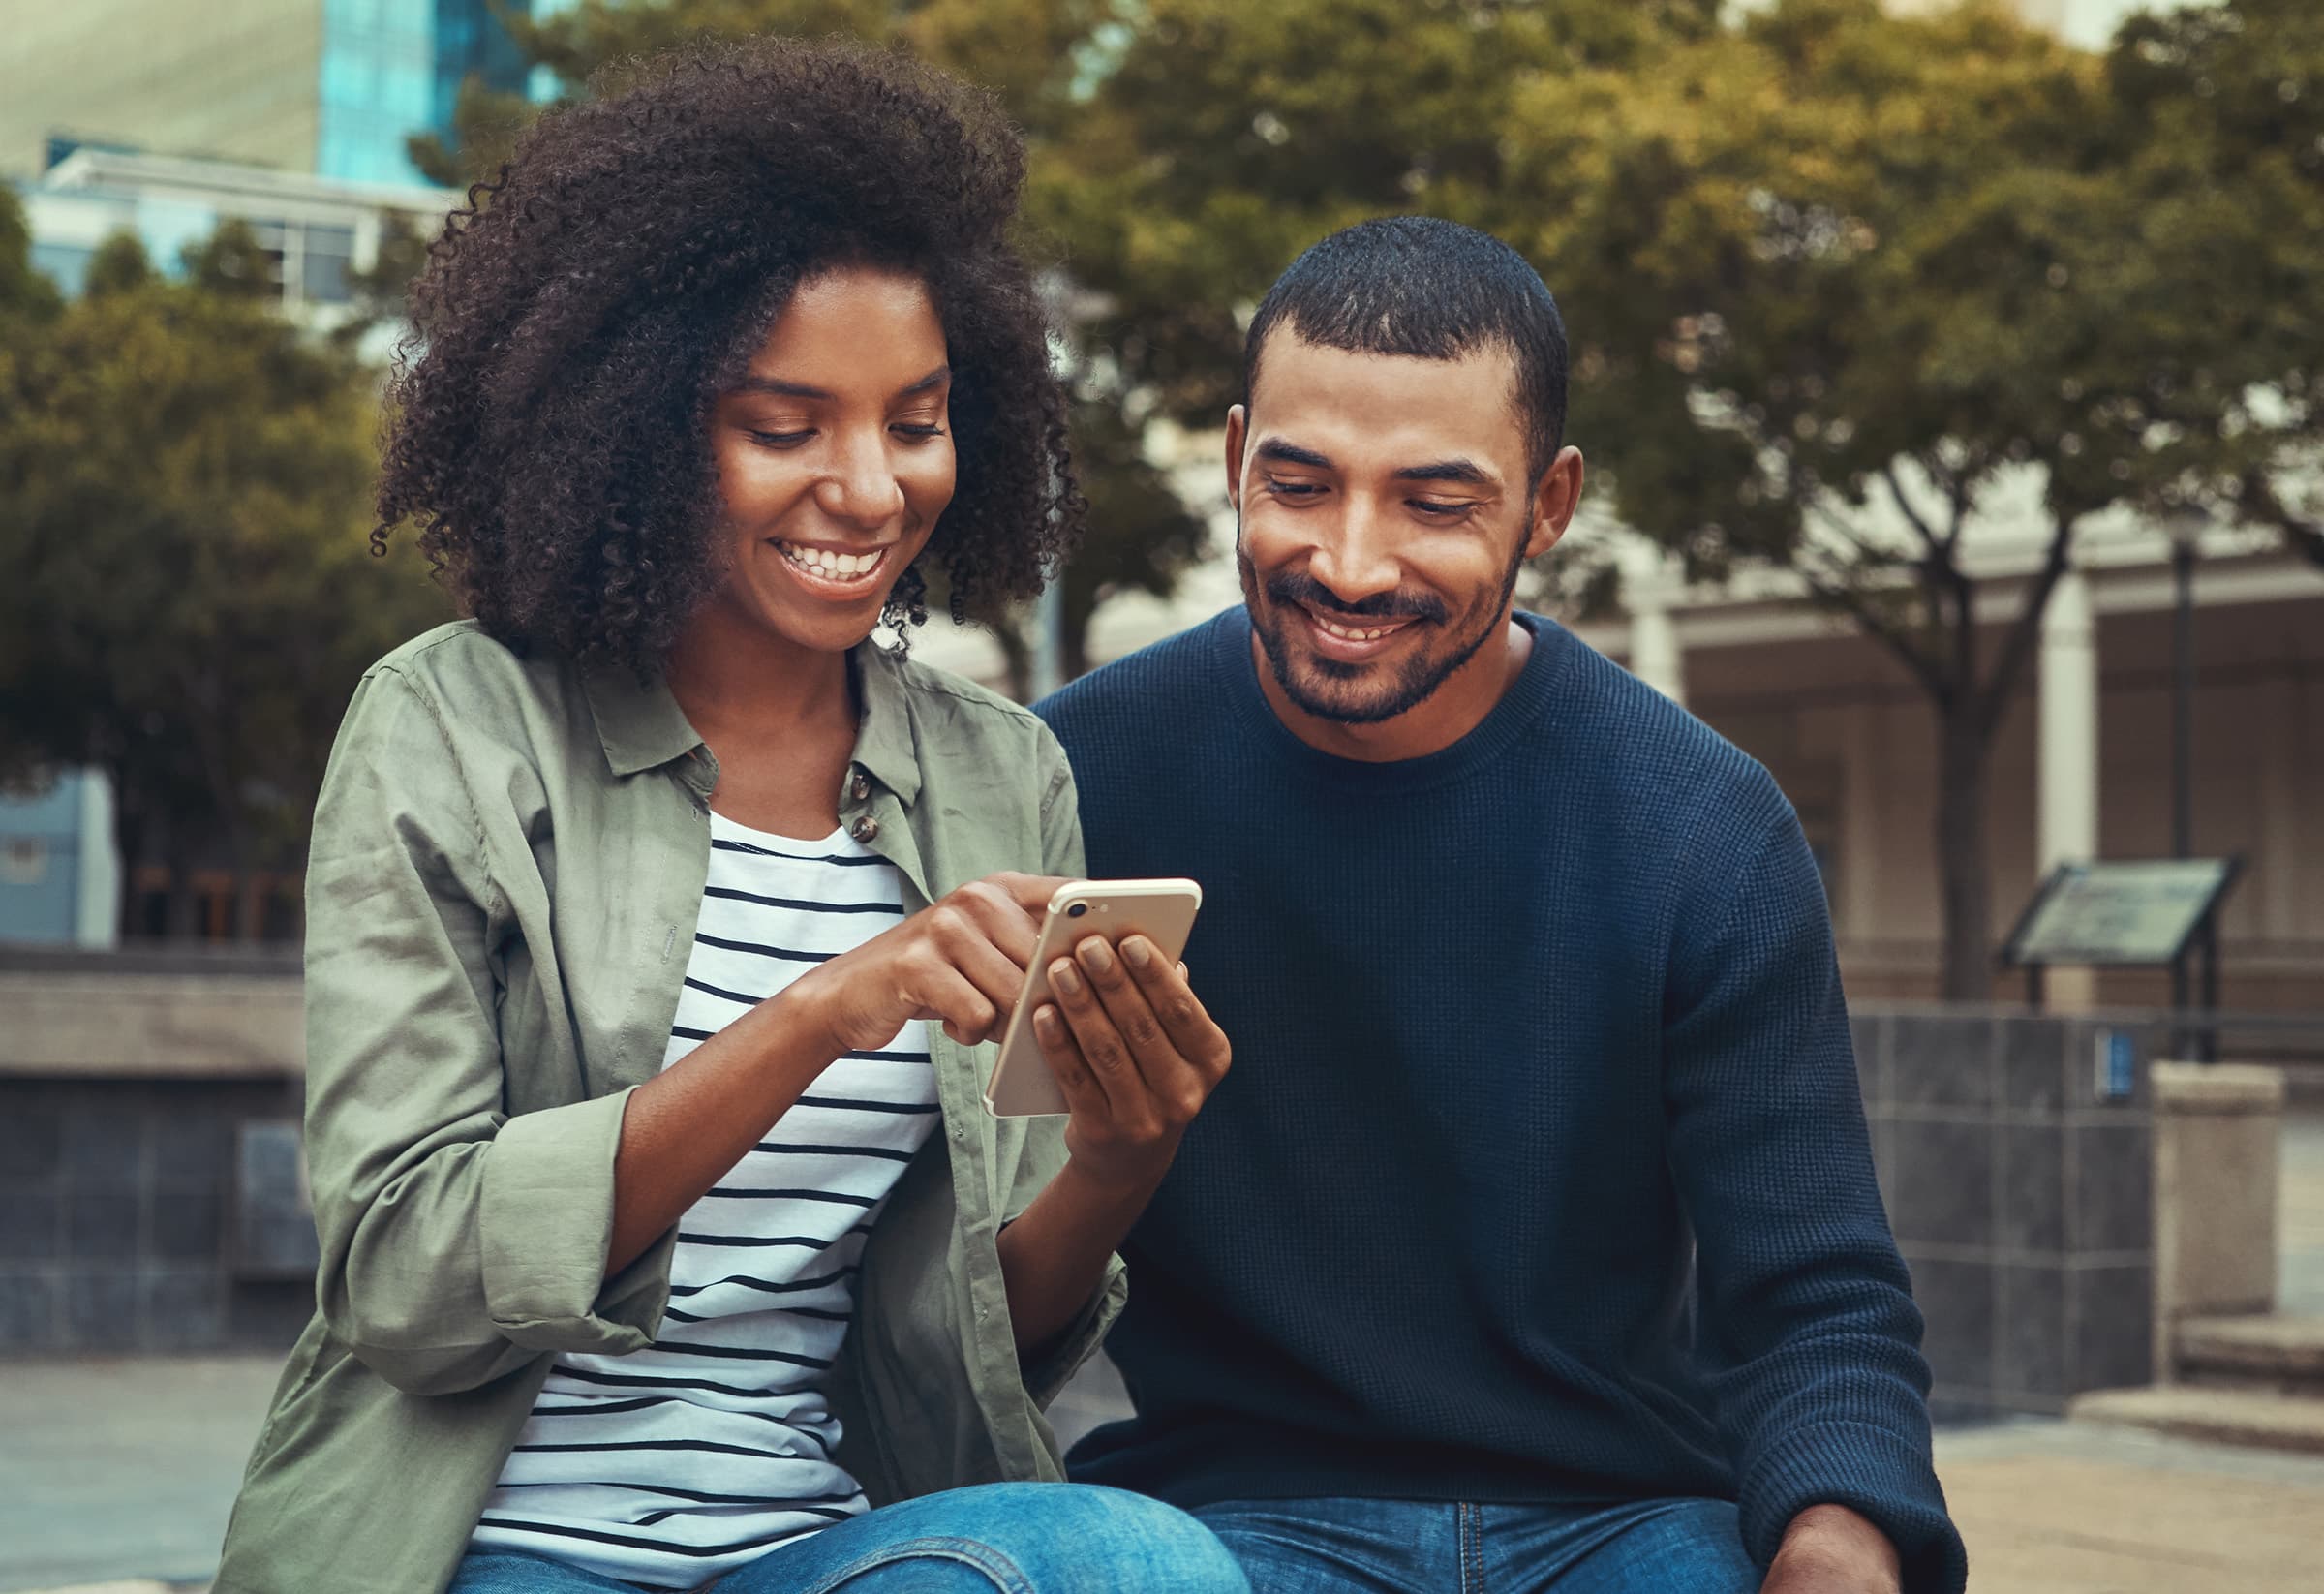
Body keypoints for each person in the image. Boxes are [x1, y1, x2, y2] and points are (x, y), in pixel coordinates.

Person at [214, 40, 1241, 1594]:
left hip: (809, 1546)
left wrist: (1118, 1158)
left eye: (916, 419)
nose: (870, 486)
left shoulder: (997, 774)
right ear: (634, 423)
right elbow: (405, 1279)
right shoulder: (452, 726)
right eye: (785, 425)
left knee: (1143, 1565)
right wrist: (820, 1014)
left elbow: (963, 1346)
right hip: (486, 1546)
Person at [1035, 217, 1969, 1594]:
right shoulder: (1073, 779)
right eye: (1301, 483)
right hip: (1231, 1521)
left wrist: (1841, 1544)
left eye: (1436, 501)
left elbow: (1815, 1295)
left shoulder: (1703, 824)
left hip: (1630, 1522)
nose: (1351, 564)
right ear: (1236, 459)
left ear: (1548, 503)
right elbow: (961, 1293)